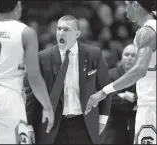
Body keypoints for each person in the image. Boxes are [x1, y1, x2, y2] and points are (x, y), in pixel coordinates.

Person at [0, 0, 54, 144]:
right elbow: (34, 76)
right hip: (8, 95)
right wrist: (47, 106)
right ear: (18, 6)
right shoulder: (26, 32)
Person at [26, 15, 111, 144]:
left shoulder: (94, 54)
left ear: (77, 34)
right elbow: (31, 94)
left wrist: (103, 119)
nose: (60, 33)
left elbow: (105, 87)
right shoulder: (42, 57)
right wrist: (29, 125)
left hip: (84, 124)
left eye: (66, 29)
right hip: (52, 125)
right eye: (58, 28)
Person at [85, 0, 156, 144]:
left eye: (127, 5)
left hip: (151, 105)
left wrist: (104, 91)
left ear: (135, 4)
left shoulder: (147, 31)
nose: (125, 9)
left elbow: (139, 70)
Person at [100, 44, 138, 144]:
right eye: (126, 55)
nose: (129, 58)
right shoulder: (110, 74)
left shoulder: (144, 78)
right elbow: (108, 98)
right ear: (121, 56)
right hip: (113, 129)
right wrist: (132, 103)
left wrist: (120, 95)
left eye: (133, 55)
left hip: (135, 128)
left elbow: (145, 97)